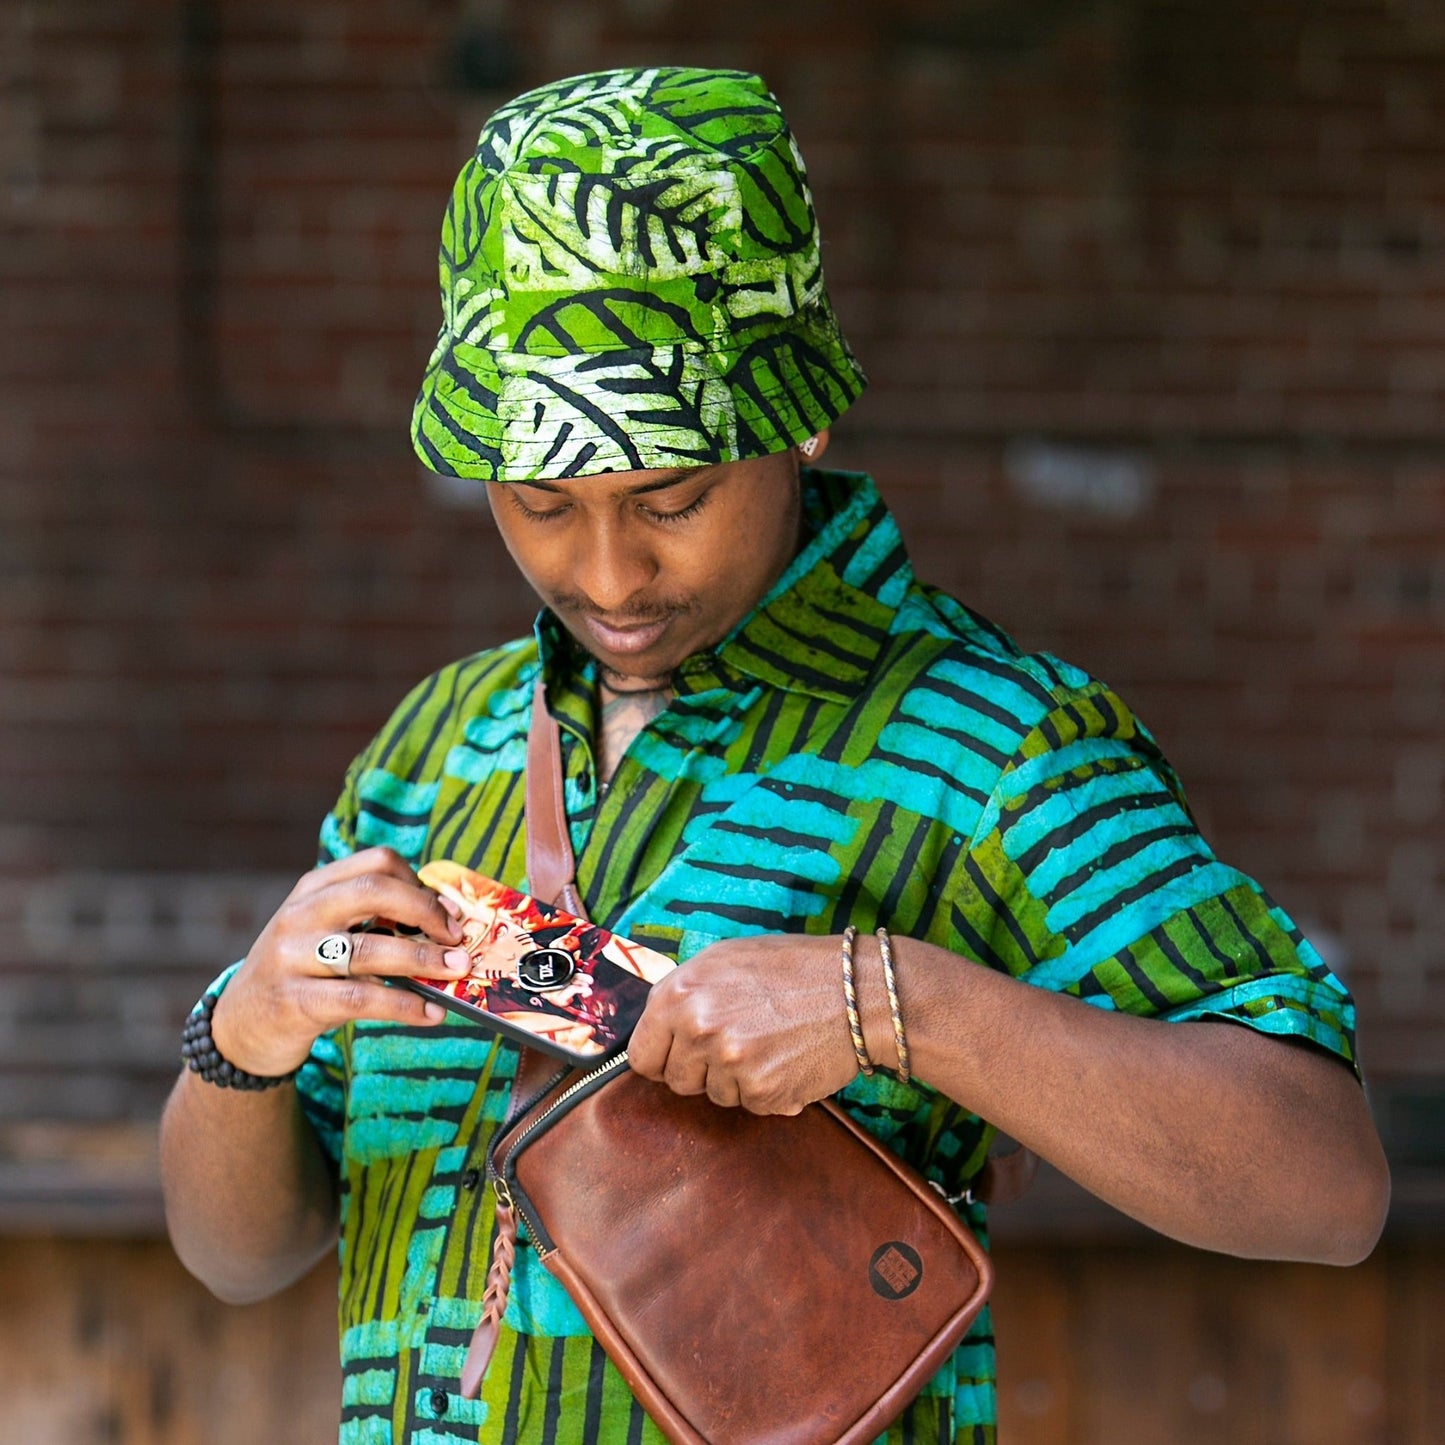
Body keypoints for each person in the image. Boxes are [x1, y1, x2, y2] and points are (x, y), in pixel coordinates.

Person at [160, 65, 1390, 1444]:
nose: (610, 570)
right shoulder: (438, 743)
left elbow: (1323, 1185)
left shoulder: (987, 742)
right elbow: (243, 1251)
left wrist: (895, 1002)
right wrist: (241, 1039)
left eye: (670, 494)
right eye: (542, 501)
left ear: (801, 416)